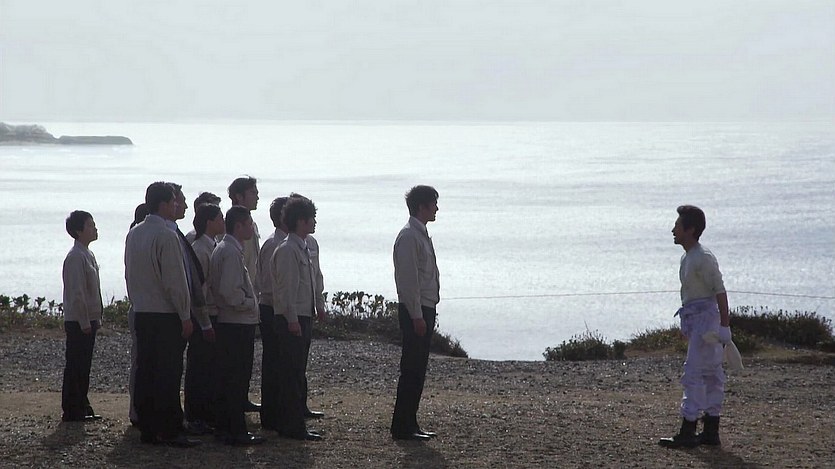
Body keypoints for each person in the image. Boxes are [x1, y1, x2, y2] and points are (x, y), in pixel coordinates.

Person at [125, 182, 199, 447]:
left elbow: (129, 273)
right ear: (164, 204)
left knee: (146, 370)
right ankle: (169, 428)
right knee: (167, 373)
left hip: (142, 310)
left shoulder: (134, 233)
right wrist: (185, 315)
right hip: (165, 314)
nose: (176, 206)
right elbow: (175, 281)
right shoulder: (166, 236)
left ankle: (147, 427)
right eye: (173, 202)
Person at [659, 205, 732, 448]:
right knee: (710, 373)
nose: (673, 230)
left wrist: (724, 326)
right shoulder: (690, 257)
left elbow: (720, 291)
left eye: (677, 226)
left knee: (696, 373)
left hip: (706, 321)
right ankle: (710, 429)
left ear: (690, 230)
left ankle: (688, 430)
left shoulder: (703, 258)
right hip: (700, 320)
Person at [210, 206, 266, 446]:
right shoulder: (230, 252)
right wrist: (249, 304)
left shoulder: (226, 248)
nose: (252, 228)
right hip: (236, 324)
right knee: (236, 379)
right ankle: (235, 431)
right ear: (239, 226)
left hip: (231, 322)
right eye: (249, 223)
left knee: (229, 379)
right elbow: (229, 292)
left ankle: (226, 428)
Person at [271, 196, 324, 440]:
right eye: (311, 218)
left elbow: (313, 280)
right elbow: (286, 290)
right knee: (290, 373)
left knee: (296, 371)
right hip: (292, 319)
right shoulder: (287, 249)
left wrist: (318, 305)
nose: (314, 222)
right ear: (301, 221)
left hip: (303, 315)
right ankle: (291, 425)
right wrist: (292, 319)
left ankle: (291, 422)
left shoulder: (302, 246)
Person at [390, 185, 440, 441]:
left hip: (424, 308)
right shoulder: (409, 236)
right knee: (411, 369)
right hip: (416, 311)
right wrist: (417, 315)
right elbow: (408, 281)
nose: (436, 209)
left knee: (418, 370)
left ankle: (410, 422)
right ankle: (402, 425)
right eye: (433, 204)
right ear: (421, 206)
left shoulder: (420, 234)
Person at [167, 183, 214, 436]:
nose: (183, 205)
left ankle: (196, 415)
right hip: (186, 314)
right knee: (192, 367)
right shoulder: (188, 241)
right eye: (179, 201)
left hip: (190, 313)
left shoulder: (179, 236)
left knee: (197, 367)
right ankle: (189, 416)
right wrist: (200, 319)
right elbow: (192, 284)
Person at [183, 203, 225, 435]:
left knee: (211, 367)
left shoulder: (213, 245)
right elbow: (198, 290)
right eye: (219, 218)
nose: (223, 222)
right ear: (209, 222)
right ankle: (195, 414)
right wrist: (205, 322)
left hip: (214, 312)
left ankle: (207, 413)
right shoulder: (200, 248)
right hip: (204, 315)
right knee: (199, 366)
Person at [61, 210, 103, 422]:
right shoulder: (75, 257)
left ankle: (81, 405)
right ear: (78, 231)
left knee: (84, 365)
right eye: (90, 225)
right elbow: (77, 293)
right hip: (78, 321)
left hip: (88, 320)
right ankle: (72, 409)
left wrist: (96, 318)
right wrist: (85, 321)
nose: (94, 228)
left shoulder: (87, 254)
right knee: (76, 365)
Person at [227, 176, 261, 413]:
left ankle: (243, 397)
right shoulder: (232, 225)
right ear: (239, 196)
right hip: (238, 299)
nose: (257, 196)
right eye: (252, 192)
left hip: (250, 294)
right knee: (236, 359)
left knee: (246, 357)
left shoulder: (251, 224)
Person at [257, 196, 288, 430]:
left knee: (282, 363)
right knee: (273, 363)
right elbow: (268, 284)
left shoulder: (287, 243)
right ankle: (270, 414)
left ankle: (282, 410)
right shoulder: (272, 244)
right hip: (271, 308)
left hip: (279, 308)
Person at [127, 203, 148, 426]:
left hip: (137, 307)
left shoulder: (133, 238)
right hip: (144, 308)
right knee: (141, 363)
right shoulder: (139, 237)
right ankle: (137, 410)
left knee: (140, 362)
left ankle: (137, 409)